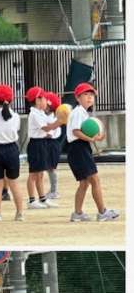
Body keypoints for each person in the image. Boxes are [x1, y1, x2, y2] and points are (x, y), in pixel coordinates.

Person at [66, 82, 119, 222]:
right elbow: (76, 132)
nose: (89, 97)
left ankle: (77, 214)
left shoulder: (83, 113)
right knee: (94, 180)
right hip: (78, 149)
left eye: (91, 95)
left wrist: (97, 137)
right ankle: (102, 212)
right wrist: (91, 138)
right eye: (85, 94)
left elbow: (84, 132)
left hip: (79, 148)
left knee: (84, 183)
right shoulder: (78, 112)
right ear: (77, 98)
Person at [0, 84, 23, 222]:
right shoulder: (16, 116)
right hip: (12, 150)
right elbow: (16, 129)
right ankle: (19, 213)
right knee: (14, 184)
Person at [25, 87, 63, 210]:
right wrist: (61, 121)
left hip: (42, 143)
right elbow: (46, 128)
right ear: (37, 100)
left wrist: (59, 121)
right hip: (36, 144)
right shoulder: (34, 113)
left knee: (40, 173)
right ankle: (31, 200)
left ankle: (42, 198)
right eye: (43, 98)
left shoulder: (40, 113)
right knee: (33, 174)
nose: (46, 101)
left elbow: (49, 126)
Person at [44, 92, 63, 200]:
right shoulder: (46, 117)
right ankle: (53, 190)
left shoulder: (53, 118)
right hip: (48, 143)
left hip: (51, 144)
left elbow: (49, 134)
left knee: (51, 168)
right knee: (48, 168)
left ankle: (54, 191)